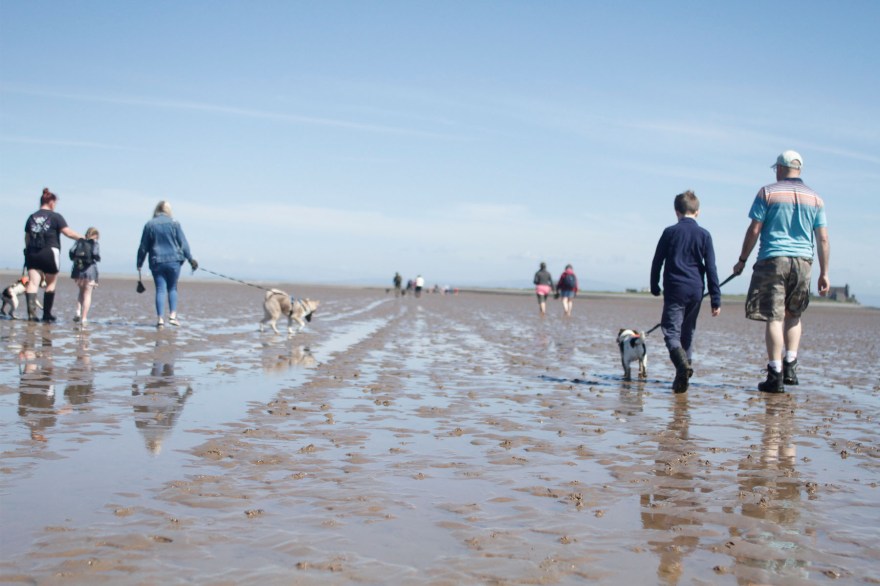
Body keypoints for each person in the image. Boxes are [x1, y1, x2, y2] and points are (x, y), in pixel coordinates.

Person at [733, 150, 829, 393]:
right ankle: (791, 367)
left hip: (773, 258)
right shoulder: (816, 198)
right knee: (794, 314)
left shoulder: (768, 192)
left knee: (774, 317)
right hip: (803, 262)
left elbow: (754, 229)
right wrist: (824, 272)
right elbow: (823, 239)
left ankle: (774, 374)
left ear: (779, 168)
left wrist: (742, 259)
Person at [650, 191, 721, 393]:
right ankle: (683, 379)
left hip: (675, 288)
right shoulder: (705, 235)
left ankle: (682, 367)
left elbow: (657, 261)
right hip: (696, 289)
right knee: (687, 333)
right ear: (697, 212)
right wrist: (716, 299)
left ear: (676, 212)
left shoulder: (670, 232)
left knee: (671, 331)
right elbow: (711, 268)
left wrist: (654, 286)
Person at [23, 188, 83, 322]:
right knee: (50, 284)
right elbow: (68, 233)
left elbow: (27, 237)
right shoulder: (56, 217)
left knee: (33, 283)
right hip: (50, 252)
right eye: (55, 203)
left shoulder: (31, 217)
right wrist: (82, 238)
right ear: (51, 202)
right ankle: (47, 314)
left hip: (33, 253)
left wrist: (27, 250)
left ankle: (32, 315)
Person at [136, 201, 198, 328]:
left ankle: (160, 319)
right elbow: (183, 244)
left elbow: (143, 246)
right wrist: (191, 259)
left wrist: (139, 262)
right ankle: (173, 315)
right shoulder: (174, 223)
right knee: (172, 288)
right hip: (174, 261)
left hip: (157, 261)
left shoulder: (149, 225)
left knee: (160, 289)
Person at [70, 227, 101, 325]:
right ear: (96, 235)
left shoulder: (79, 242)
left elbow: (71, 252)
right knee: (87, 294)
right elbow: (95, 254)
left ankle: (78, 311)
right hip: (89, 270)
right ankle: (84, 318)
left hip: (78, 270)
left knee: (81, 292)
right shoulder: (95, 243)